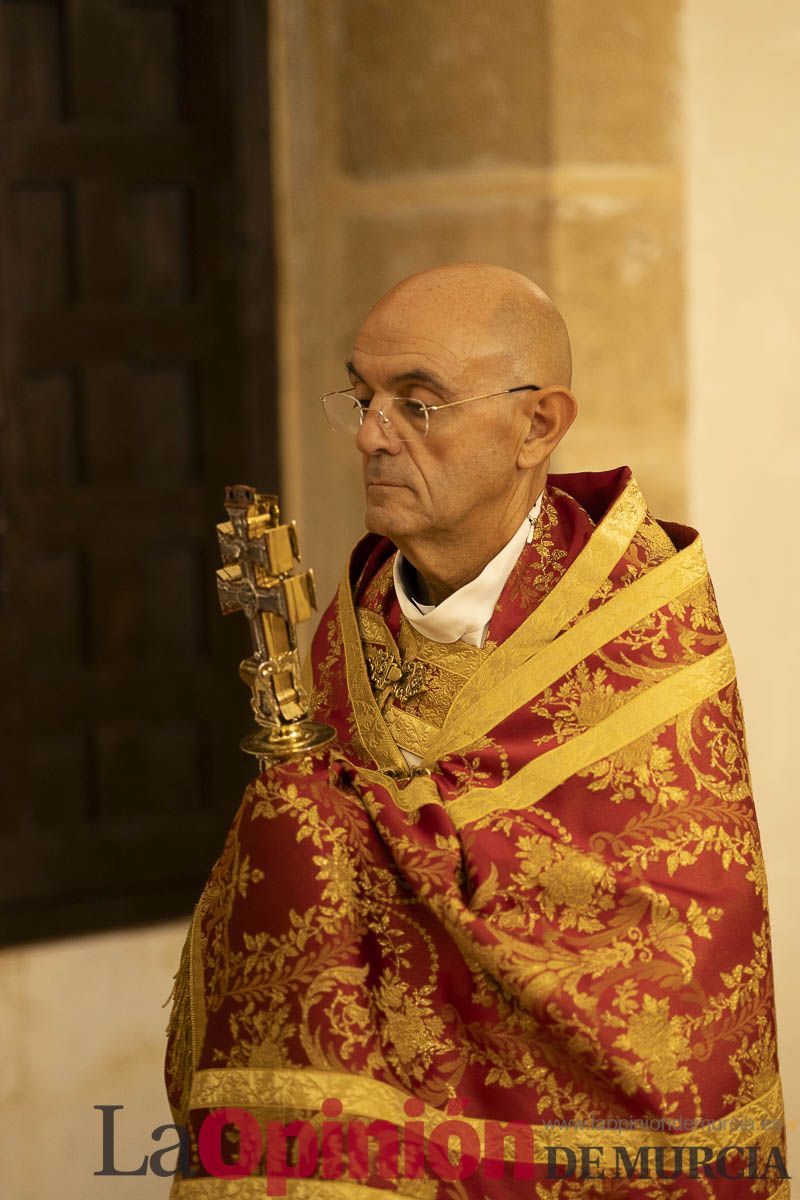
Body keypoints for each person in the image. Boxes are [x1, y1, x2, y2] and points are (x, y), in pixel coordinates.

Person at [165, 264, 787, 1198]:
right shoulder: (356, 619)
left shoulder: (641, 627)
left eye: (418, 405)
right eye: (363, 397)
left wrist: (355, 836)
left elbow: (675, 952)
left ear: (538, 425)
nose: (373, 436)